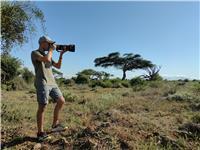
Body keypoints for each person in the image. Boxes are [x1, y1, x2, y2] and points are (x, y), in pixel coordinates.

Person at [31, 36, 67, 141]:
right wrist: (51, 50)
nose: (51, 45)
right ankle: (40, 133)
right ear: (42, 43)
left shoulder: (49, 55)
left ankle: (55, 125)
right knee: (42, 106)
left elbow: (58, 66)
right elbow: (46, 59)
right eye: (49, 43)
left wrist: (61, 55)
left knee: (61, 100)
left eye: (51, 44)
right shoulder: (35, 53)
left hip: (52, 82)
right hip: (42, 82)